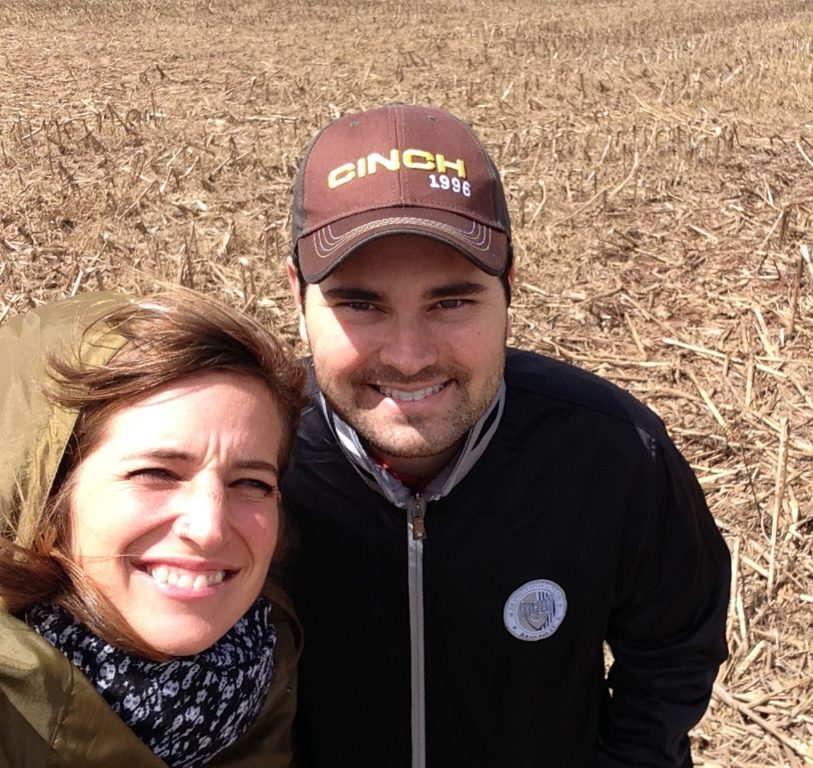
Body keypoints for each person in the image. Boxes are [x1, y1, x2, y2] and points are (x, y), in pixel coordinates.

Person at [283, 103, 731, 767]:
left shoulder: (611, 451)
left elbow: (676, 644)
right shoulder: (249, 463)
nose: (409, 357)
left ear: (510, 289)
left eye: (451, 301)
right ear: (297, 299)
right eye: (360, 304)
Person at [0, 289, 307, 767]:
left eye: (251, 482)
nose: (208, 528)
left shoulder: (262, 670)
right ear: (51, 496)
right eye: (156, 473)